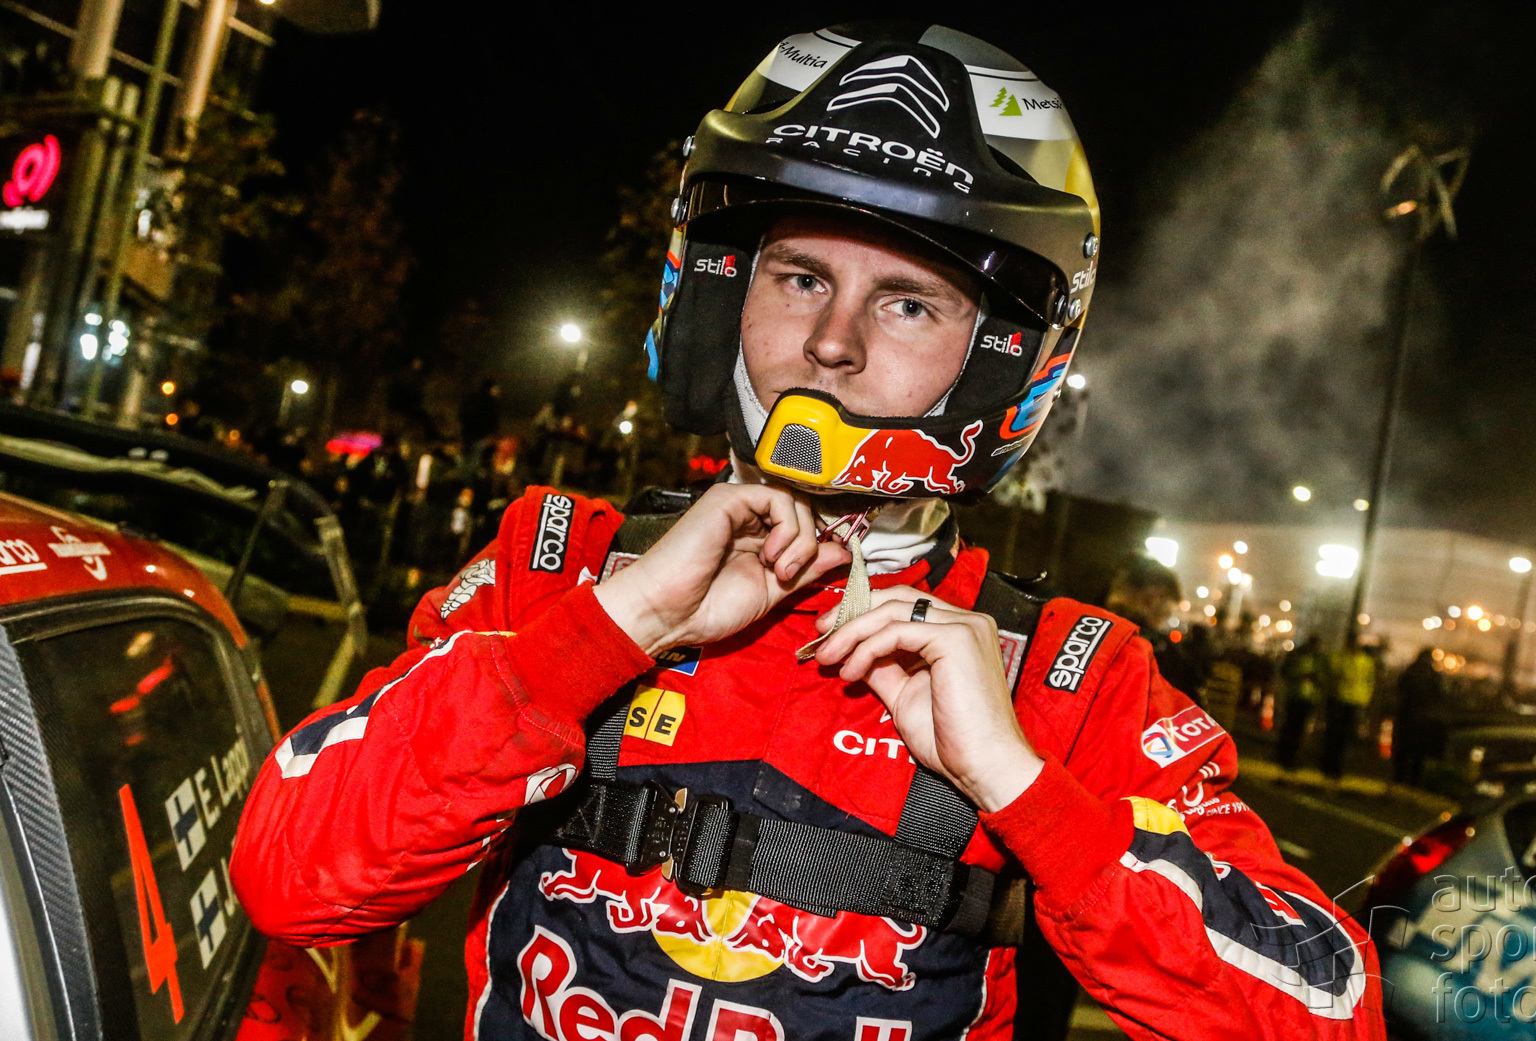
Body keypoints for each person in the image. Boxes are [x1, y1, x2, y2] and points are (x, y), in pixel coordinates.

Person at [231, 24, 1382, 1040]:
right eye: (797, 278)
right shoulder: (558, 565)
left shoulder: (1070, 678)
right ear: (721, 294)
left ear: (999, 361)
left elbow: (1326, 1014)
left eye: (907, 302)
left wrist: (1021, 788)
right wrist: (608, 631)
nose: (832, 342)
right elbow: (289, 878)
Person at [1104, 553, 1202, 701]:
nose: (1167, 615)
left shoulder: (1090, 629)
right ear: (1155, 596)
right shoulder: (1158, 649)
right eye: (1168, 607)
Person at [1320, 639, 1377, 782]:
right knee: (1338, 736)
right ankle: (1333, 767)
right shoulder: (1364, 661)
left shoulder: (1342, 658)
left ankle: (1333, 766)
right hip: (1346, 701)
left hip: (1345, 700)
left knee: (1338, 736)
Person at [1391, 647, 1443, 787]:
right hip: (1422, 718)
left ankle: (1399, 777)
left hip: (1406, 715)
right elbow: (1438, 696)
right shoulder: (1433, 675)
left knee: (1402, 748)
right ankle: (1414, 779)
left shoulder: (1410, 671)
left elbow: (1400, 688)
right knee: (1418, 751)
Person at [1275, 634, 1324, 772]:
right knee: (1291, 727)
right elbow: (1285, 672)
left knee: (1298, 729)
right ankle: (1284, 756)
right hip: (1296, 696)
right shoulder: (1299, 656)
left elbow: (1322, 678)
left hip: (1307, 698)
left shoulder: (1317, 659)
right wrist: (1302, 676)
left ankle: (1290, 756)